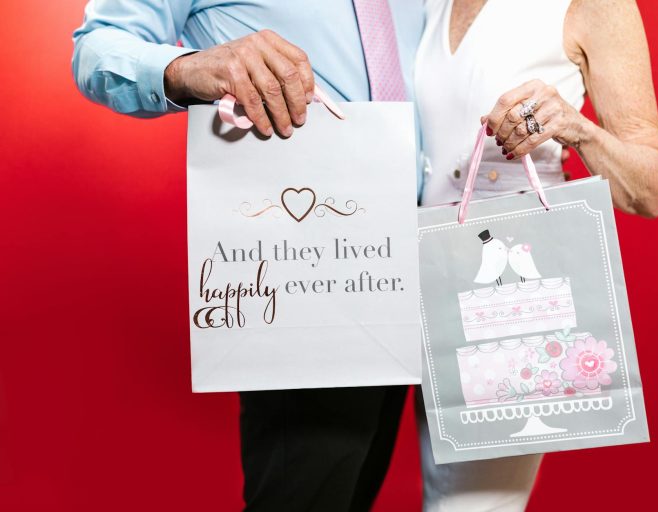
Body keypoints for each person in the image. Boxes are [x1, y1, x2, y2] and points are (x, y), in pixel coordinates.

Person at [72, 2, 424, 511]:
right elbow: (97, 46)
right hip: (300, 258)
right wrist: (191, 65)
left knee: (355, 487)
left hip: (405, 255)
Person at [414, 0, 658, 510]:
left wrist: (575, 127)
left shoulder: (595, 5)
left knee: (470, 505)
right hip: (408, 278)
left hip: (502, 297)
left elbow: (653, 188)